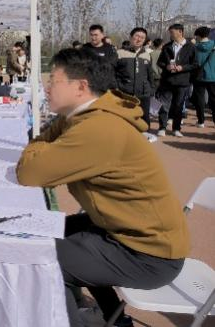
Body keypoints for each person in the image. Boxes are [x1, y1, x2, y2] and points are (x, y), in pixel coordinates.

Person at [16, 48, 189, 327]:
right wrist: (52, 130)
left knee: (40, 259)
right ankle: (115, 319)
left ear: (80, 87)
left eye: (54, 81)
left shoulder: (98, 128)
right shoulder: (85, 116)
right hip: (126, 231)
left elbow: (29, 172)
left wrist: (37, 143)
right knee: (49, 229)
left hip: (148, 253)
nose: (46, 88)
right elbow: (47, 140)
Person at [156, 24, 197, 137]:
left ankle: (176, 129)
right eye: (170, 32)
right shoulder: (167, 46)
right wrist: (167, 66)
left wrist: (182, 68)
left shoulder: (191, 47)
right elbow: (160, 62)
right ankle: (162, 127)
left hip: (182, 81)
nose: (170, 34)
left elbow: (195, 64)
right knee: (164, 105)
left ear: (180, 32)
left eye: (172, 32)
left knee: (178, 106)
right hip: (167, 81)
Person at [115, 27, 153, 127]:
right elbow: (112, 73)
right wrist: (117, 88)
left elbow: (150, 75)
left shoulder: (147, 55)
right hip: (124, 94)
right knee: (123, 121)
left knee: (144, 122)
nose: (139, 39)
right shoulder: (120, 53)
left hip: (143, 95)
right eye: (137, 36)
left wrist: (151, 90)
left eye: (142, 37)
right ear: (130, 37)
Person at [192, 26, 215, 128]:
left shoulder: (195, 47)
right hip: (213, 76)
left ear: (198, 36)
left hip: (199, 76)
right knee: (213, 99)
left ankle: (201, 121)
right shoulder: (213, 44)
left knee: (199, 99)